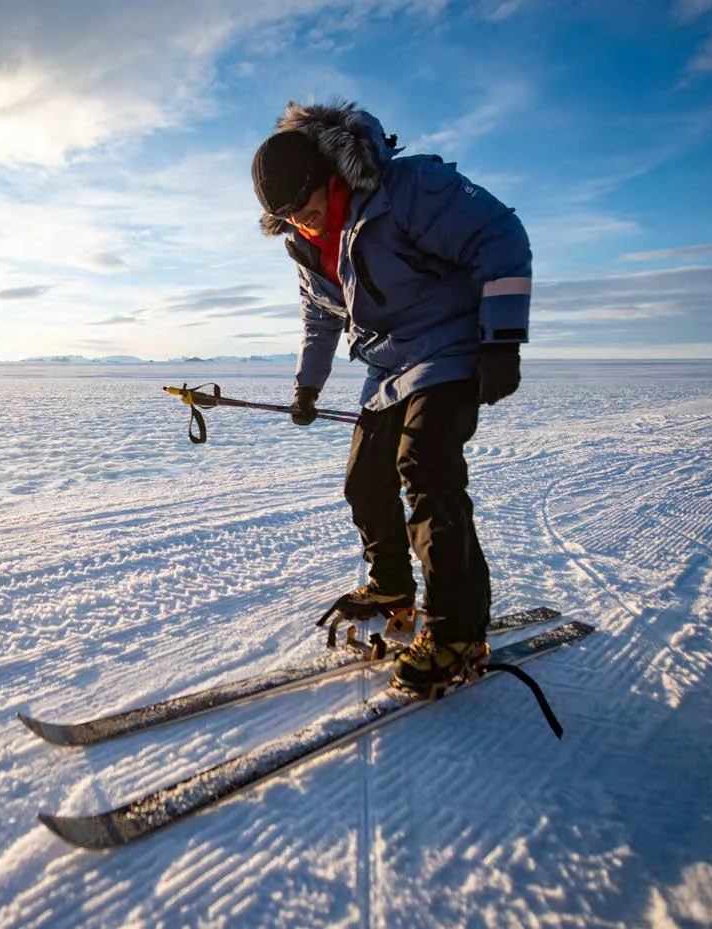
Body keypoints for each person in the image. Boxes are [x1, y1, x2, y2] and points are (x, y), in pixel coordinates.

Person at [250, 99, 531, 696]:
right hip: (387, 368)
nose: (306, 224)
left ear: (330, 178)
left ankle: (456, 630)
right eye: (291, 219)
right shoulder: (304, 245)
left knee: (426, 467)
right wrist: (308, 385)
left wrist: (501, 339)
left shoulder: (408, 189)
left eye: (308, 208)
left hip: (453, 346)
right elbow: (319, 317)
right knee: (364, 478)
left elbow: (498, 234)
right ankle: (391, 586)